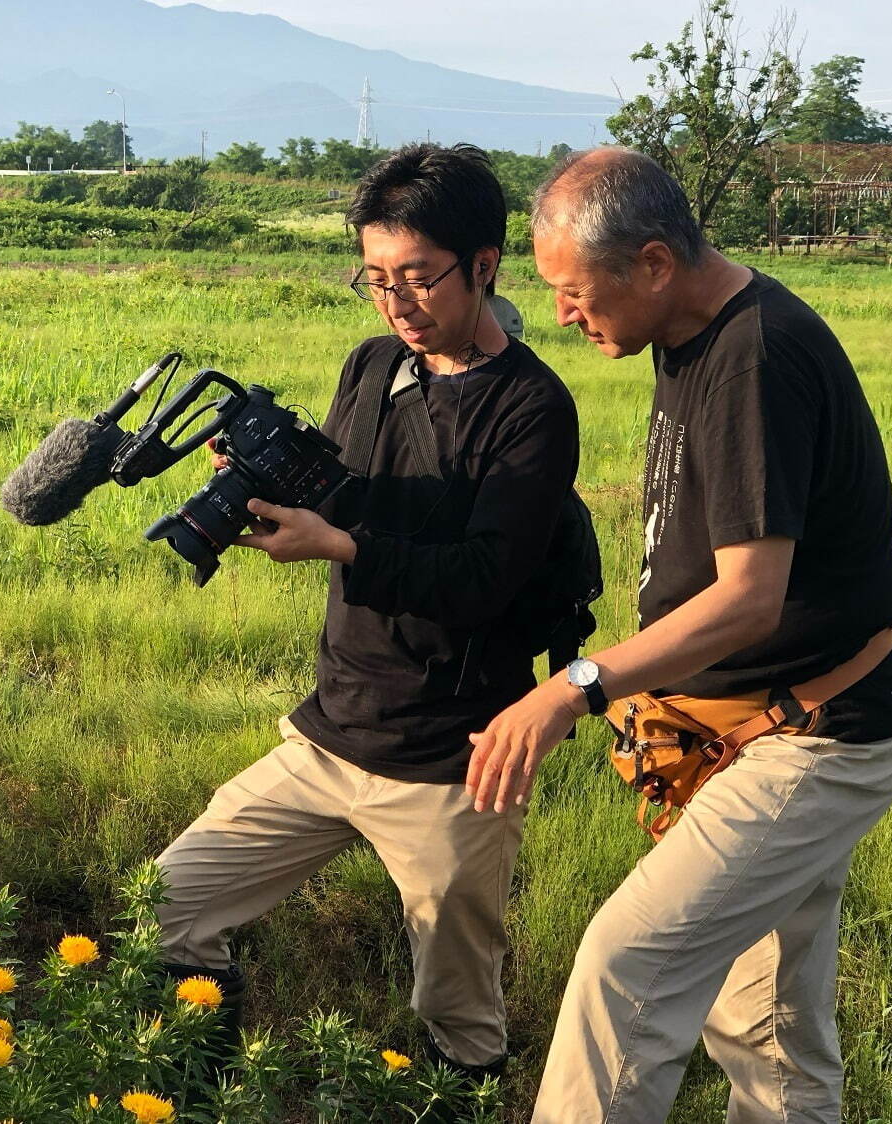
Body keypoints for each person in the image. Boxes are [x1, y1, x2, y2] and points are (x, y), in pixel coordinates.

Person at [465, 148, 892, 1122]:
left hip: (810, 737)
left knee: (623, 969)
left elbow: (747, 600)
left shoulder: (754, 358)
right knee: (762, 1028)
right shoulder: (689, 332)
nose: (559, 314)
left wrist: (574, 686)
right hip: (745, 730)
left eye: (571, 291)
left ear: (652, 263)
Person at [152, 143, 582, 1079]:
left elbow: (481, 582)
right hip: (328, 734)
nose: (397, 303)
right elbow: (345, 491)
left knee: (456, 1008)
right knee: (173, 901)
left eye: (419, 279)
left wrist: (341, 546)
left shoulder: (531, 409)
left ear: (483, 266)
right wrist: (266, 486)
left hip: (452, 763)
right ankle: (200, 1093)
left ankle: (457, 1094)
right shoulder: (373, 364)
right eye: (376, 278)